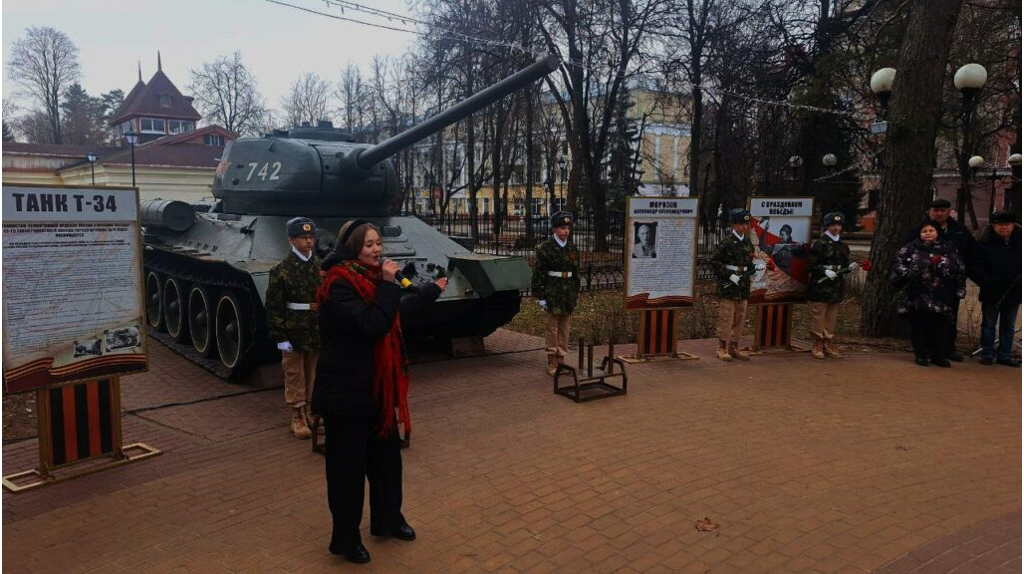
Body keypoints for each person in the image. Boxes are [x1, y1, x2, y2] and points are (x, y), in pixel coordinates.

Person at [312, 219, 446, 564]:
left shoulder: (372, 281)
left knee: (387, 463)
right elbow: (372, 324)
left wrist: (430, 291)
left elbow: (394, 314)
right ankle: (346, 538)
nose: (377, 249)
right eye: (369, 244)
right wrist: (389, 283)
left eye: (377, 243)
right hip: (345, 393)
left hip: (378, 392)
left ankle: (388, 519)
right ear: (353, 247)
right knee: (348, 470)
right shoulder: (338, 284)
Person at [265, 217, 322, 439]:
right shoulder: (282, 270)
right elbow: (274, 306)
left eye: (311, 237)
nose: (308, 242)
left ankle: (311, 410)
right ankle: (297, 414)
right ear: (291, 240)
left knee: (313, 372)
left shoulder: (319, 267)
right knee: (294, 373)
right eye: (303, 238)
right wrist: (280, 336)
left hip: (314, 327)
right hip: (293, 328)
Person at [891, 220, 966, 367]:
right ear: (920, 234)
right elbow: (897, 262)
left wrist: (960, 289)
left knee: (940, 327)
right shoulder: (911, 248)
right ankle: (921, 355)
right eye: (924, 231)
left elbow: (961, 270)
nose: (928, 233)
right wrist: (907, 273)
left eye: (931, 230)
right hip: (918, 294)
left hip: (943, 294)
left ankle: (938, 355)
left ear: (937, 232)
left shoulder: (949, 248)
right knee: (919, 325)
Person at [923, 198, 975, 361]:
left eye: (943, 210)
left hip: (951, 282)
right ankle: (928, 350)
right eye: (936, 210)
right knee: (928, 316)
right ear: (929, 212)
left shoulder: (959, 230)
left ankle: (948, 349)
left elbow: (971, 252)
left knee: (950, 317)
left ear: (949, 212)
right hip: (928, 282)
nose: (939, 213)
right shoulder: (922, 229)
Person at [967, 210, 1021, 367]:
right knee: (989, 323)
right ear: (993, 226)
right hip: (992, 290)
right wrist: (985, 281)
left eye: (1007, 225)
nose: (1003, 228)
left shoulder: (1020, 242)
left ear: (1013, 225)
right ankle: (987, 353)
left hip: (1013, 291)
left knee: (1008, 325)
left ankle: (1004, 354)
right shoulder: (984, 243)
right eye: (999, 225)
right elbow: (974, 266)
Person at [532, 210, 581, 375]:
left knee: (565, 328)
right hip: (552, 292)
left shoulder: (572, 248)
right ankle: (552, 358)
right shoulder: (545, 248)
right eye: (561, 227)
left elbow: (576, 273)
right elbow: (539, 273)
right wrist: (540, 296)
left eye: (567, 227)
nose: (565, 231)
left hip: (567, 294)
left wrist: (575, 293)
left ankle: (562, 357)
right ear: (554, 229)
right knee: (552, 327)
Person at [710, 209, 761, 361]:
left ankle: (734, 346)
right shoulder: (726, 242)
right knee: (727, 316)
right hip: (729, 285)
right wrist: (729, 275)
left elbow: (748, 262)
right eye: (740, 224)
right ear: (733, 224)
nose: (744, 227)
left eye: (746, 223)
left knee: (740, 316)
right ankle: (722, 347)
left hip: (743, 285)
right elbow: (715, 262)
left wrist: (755, 268)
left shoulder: (747, 243)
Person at [806, 212, 854, 359]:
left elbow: (844, 263)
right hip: (821, 285)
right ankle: (817, 343)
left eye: (838, 225)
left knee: (831, 316)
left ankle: (828, 342)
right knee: (819, 314)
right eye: (833, 225)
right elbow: (810, 265)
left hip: (836, 285)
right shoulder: (820, 244)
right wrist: (824, 270)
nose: (836, 228)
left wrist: (849, 267)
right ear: (827, 226)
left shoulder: (843, 246)